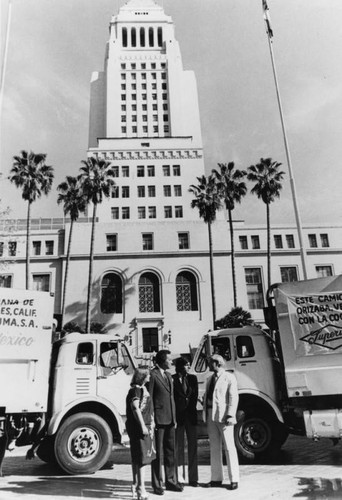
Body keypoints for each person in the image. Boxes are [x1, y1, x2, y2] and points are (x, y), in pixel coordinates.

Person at [202, 354, 239, 490]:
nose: (208, 364)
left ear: (217, 363)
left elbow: (233, 397)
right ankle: (216, 479)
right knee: (214, 447)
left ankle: (234, 479)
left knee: (229, 447)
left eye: (210, 362)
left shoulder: (229, 378)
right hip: (211, 414)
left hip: (224, 416)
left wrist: (230, 414)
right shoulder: (209, 379)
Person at [149, 349, 183, 495]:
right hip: (158, 420)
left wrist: (174, 419)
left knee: (170, 452)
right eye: (170, 360)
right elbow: (149, 399)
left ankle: (170, 481)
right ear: (163, 361)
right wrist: (151, 420)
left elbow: (171, 399)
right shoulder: (152, 375)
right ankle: (157, 484)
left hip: (170, 419)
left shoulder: (169, 375)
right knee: (157, 454)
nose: (172, 362)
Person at [126, 368, 156, 500]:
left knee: (137, 457)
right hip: (140, 427)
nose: (149, 377)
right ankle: (141, 489)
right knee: (142, 459)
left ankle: (135, 485)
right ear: (143, 377)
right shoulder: (136, 390)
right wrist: (143, 425)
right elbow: (135, 408)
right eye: (148, 375)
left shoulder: (140, 389)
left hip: (141, 426)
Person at [172, 357, 199, 487]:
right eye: (186, 365)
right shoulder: (172, 379)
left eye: (188, 365)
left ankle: (193, 478)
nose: (188, 367)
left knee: (193, 446)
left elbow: (194, 396)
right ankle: (180, 478)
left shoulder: (193, 379)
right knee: (179, 447)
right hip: (178, 417)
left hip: (191, 416)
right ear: (179, 367)